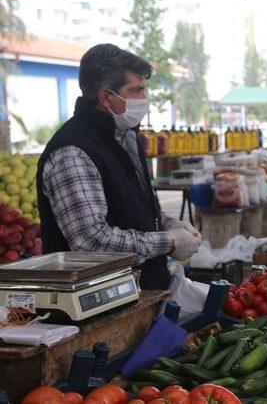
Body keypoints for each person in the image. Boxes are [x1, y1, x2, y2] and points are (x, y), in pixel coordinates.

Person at [36, 44, 201, 290]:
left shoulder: (126, 137)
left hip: (141, 292)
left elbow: (131, 205)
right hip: (99, 303)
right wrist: (168, 242)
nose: (144, 99)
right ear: (106, 97)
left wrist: (167, 223)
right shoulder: (72, 151)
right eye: (136, 90)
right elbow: (92, 242)